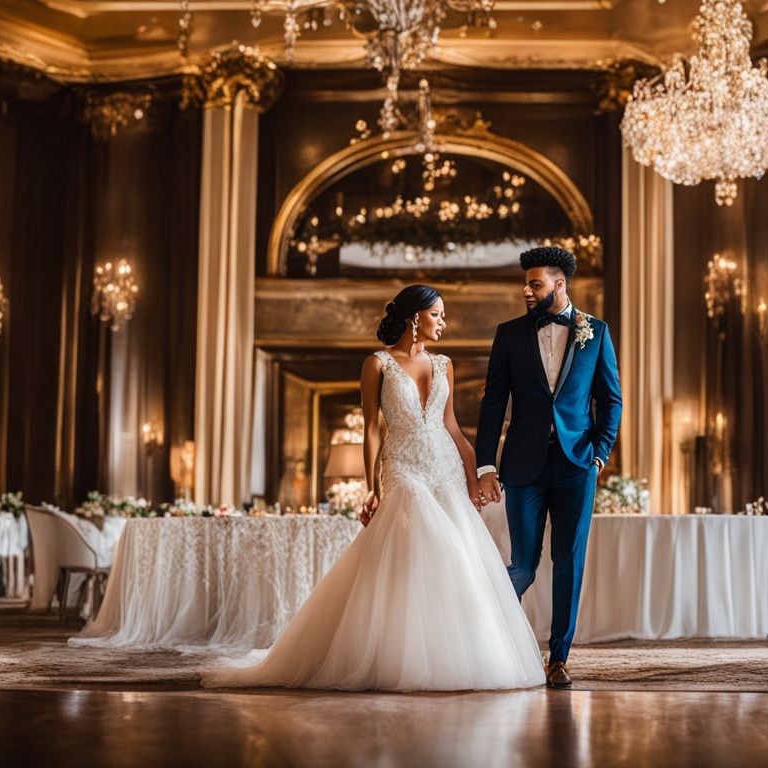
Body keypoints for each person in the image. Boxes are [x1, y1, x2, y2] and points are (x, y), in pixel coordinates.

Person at [202, 285, 544, 691]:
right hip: (402, 466)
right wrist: (372, 486)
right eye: (437, 315)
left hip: (445, 468)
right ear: (416, 317)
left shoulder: (444, 364)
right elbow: (370, 430)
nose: (443, 323)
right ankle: (395, 655)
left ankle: (450, 653)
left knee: (457, 556)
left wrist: (474, 475)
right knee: (418, 544)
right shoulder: (377, 364)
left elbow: (451, 426)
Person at [475, 246, 622, 689]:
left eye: (534, 284)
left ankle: (558, 658)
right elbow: (493, 403)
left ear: (559, 285)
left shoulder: (596, 332)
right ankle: (481, 636)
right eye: (526, 284)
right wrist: (486, 465)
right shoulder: (509, 334)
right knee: (522, 564)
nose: (526, 291)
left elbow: (611, 399)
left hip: (578, 465)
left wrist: (599, 453)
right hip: (523, 466)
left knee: (568, 562)